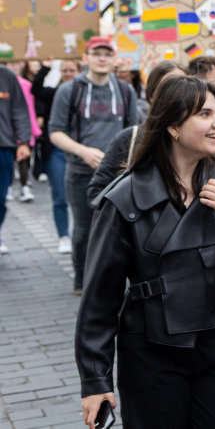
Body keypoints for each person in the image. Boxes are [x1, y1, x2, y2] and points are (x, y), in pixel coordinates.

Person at [75, 76, 215, 429]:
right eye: (205, 113)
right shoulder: (125, 197)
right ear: (173, 126)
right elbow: (99, 297)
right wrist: (95, 381)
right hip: (150, 354)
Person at [49, 37, 139, 294]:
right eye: (96, 53)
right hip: (80, 172)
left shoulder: (125, 90)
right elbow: (55, 132)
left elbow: (134, 132)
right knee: (84, 230)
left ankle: (115, 279)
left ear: (114, 59)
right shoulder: (70, 89)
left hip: (118, 174)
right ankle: (82, 279)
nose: (102, 58)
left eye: (107, 54)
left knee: (122, 229)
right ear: (85, 57)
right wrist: (82, 151)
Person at [85, 61, 187, 205]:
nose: (178, 94)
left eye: (185, 87)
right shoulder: (128, 139)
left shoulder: (204, 140)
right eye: (169, 87)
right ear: (152, 96)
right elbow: (97, 193)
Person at [32, 59, 81, 253]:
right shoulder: (55, 93)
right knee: (60, 196)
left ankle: (82, 234)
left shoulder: (86, 94)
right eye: (64, 70)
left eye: (72, 70)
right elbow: (36, 89)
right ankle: (64, 236)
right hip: (56, 152)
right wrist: (45, 67)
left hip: (81, 151)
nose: (68, 73)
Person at [0, 66, 32, 255]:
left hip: (3, 146)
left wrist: (24, 142)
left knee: (1, 198)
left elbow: (20, 111)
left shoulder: (7, 76)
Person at [14, 62, 42, 203]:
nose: (14, 66)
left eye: (15, 64)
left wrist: (34, 125)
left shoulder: (26, 84)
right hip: (7, 128)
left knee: (24, 159)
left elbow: (30, 107)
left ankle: (25, 187)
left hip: (24, 126)